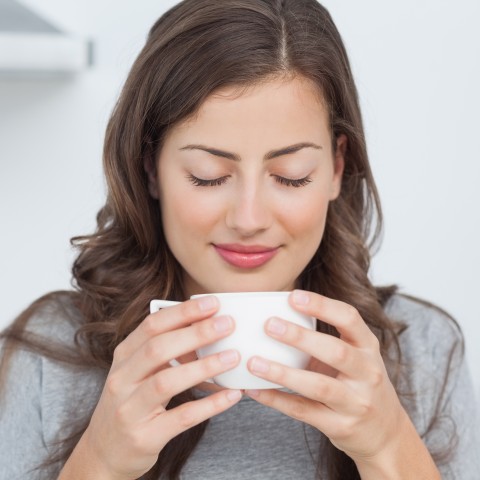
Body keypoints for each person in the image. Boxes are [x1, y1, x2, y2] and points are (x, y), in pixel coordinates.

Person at [0, 0, 478, 478]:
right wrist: (99, 461)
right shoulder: (50, 353)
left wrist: (390, 445)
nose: (249, 219)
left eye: (291, 176)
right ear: (151, 169)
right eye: (208, 176)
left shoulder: (422, 350)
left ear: (335, 168)